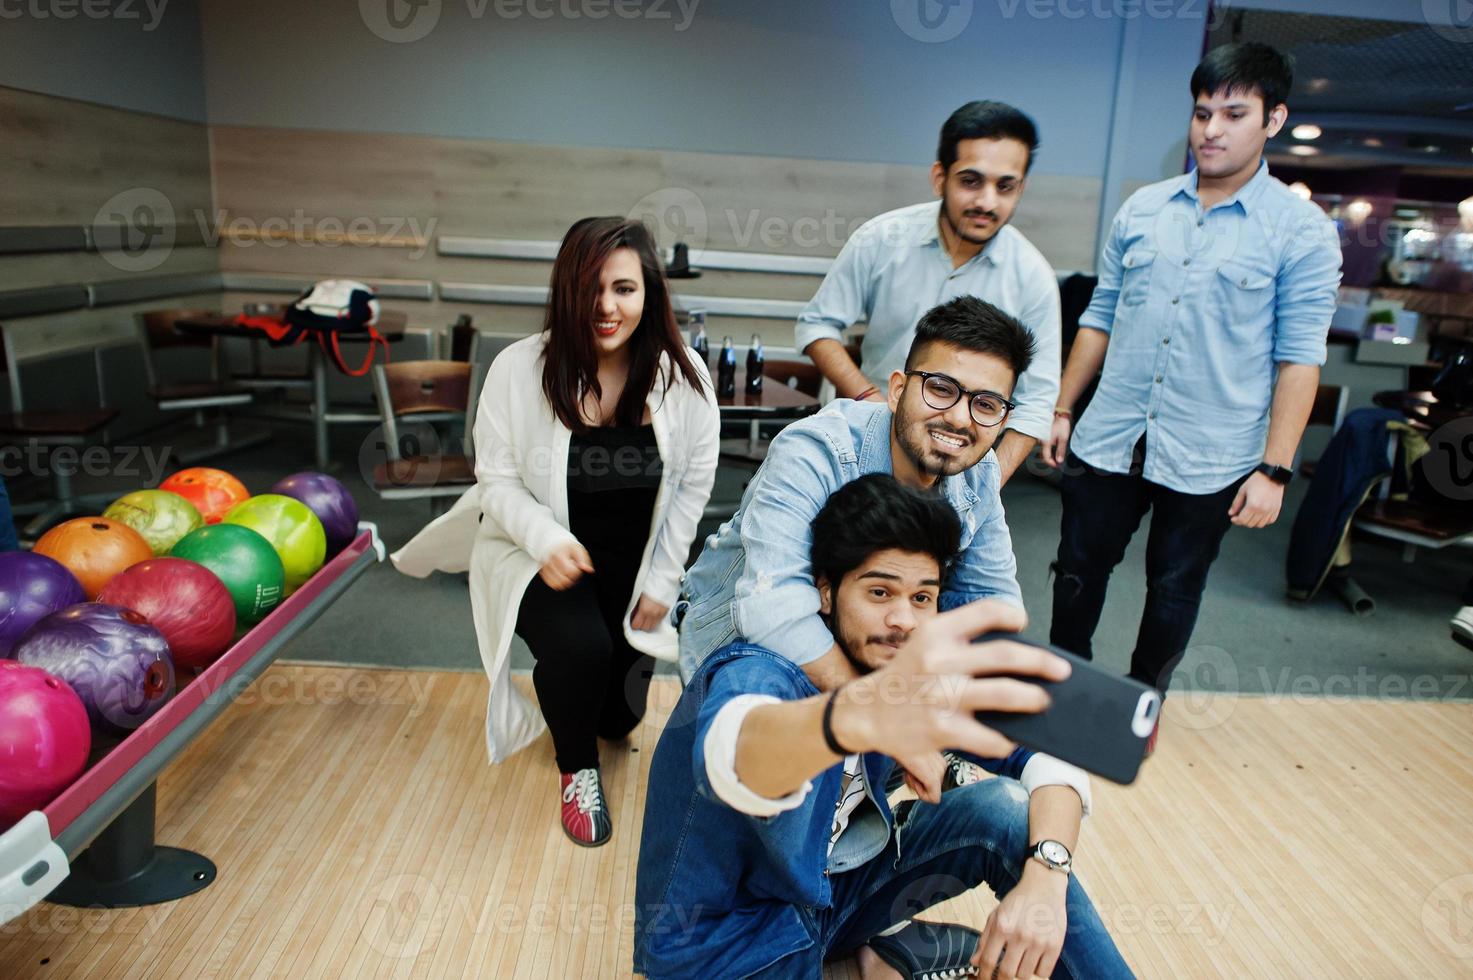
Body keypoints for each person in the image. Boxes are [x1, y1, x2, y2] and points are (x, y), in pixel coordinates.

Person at [635, 476, 1133, 979]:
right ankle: (903, 952)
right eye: (879, 592)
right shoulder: (758, 671)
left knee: (1005, 809)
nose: (903, 619)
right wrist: (855, 716)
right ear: (825, 593)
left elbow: (1046, 760)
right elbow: (736, 753)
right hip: (722, 953)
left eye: (922, 598)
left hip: (826, 902)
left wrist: (1048, 874)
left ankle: (895, 949)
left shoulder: (902, 676)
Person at [1042, 43, 1342, 740]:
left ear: (1273, 120)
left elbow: (1298, 360)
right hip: (1111, 432)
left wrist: (1272, 469)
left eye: (1234, 113)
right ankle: (1064, 702)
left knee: (1173, 588)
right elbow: (1100, 318)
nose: (1210, 129)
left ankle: (1135, 714)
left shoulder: (1300, 232)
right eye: (1202, 112)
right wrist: (1061, 406)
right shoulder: (1143, 210)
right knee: (1076, 572)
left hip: (1214, 448)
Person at [391, 217, 719, 847]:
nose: (606, 306)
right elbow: (497, 478)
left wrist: (662, 580)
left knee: (619, 718)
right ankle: (576, 768)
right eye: (590, 288)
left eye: (623, 288)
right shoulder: (519, 368)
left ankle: (576, 696)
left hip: (632, 560)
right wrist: (545, 541)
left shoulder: (686, 378)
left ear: (649, 293)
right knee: (580, 655)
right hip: (533, 553)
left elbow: (689, 492)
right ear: (566, 290)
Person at [795, 101, 1061, 483]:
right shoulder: (881, 239)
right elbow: (816, 327)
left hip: (957, 460)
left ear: (1021, 188)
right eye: (971, 181)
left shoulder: (1032, 277)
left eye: (1005, 187)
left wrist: (982, 493)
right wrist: (870, 400)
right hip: (861, 441)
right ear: (940, 178)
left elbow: (1036, 403)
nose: (987, 202)